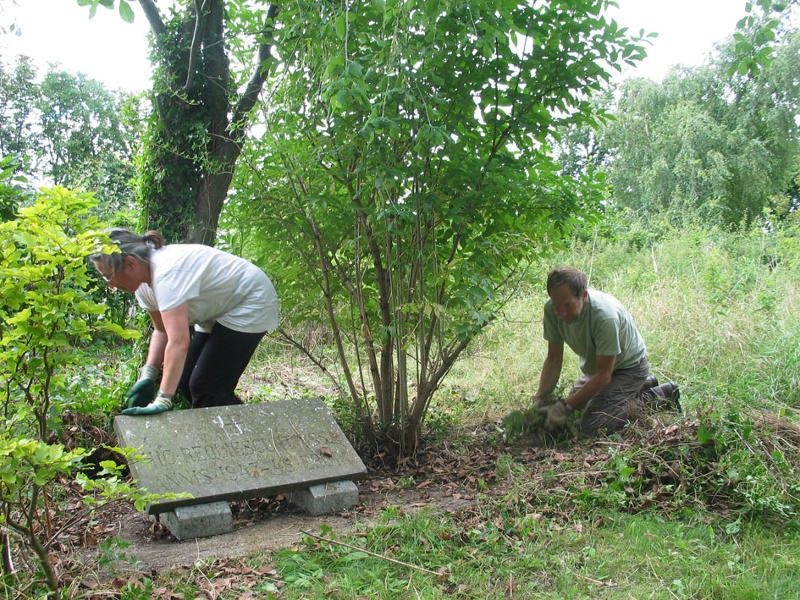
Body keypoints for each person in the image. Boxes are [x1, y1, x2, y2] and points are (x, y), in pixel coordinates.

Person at [90, 228, 279, 416]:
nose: (110, 284)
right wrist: (148, 375)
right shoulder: (143, 286)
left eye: (108, 275)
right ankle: (239, 426)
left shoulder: (166, 274)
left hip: (250, 300)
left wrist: (163, 399)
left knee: (206, 387)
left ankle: (252, 432)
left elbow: (178, 341)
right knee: (185, 382)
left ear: (130, 264)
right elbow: (162, 331)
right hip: (217, 307)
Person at [533, 266, 679, 434]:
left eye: (568, 305)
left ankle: (663, 394)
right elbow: (553, 359)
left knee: (592, 424)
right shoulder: (551, 309)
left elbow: (604, 376)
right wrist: (540, 399)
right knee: (577, 413)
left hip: (629, 368)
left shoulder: (604, 316)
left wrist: (565, 407)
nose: (562, 313)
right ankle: (644, 386)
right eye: (557, 306)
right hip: (597, 369)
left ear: (584, 296)